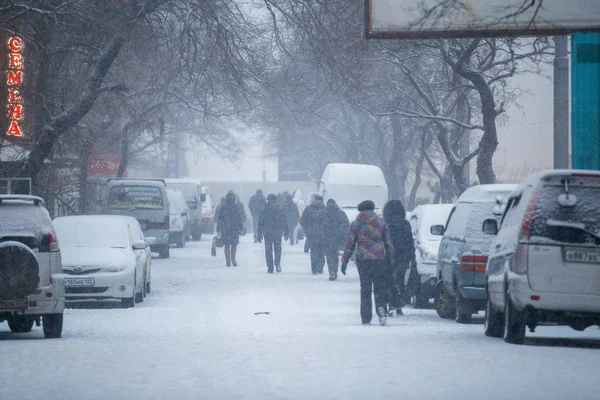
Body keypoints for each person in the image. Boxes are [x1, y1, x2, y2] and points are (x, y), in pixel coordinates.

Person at [341, 200, 394, 326]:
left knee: (365, 288)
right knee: (379, 286)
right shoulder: (381, 223)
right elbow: (389, 243)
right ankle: (381, 308)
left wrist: (344, 260)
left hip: (363, 259)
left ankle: (366, 317)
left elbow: (350, 244)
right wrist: (391, 259)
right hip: (379, 259)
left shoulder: (356, 224)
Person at [383, 200, 417, 316]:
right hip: (403, 256)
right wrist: (412, 257)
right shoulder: (405, 223)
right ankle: (398, 305)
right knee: (400, 280)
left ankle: (388, 302)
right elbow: (409, 242)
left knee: (388, 280)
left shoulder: (384, 223)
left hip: (387, 255)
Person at [257, 194, 289, 273]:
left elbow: (260, 223)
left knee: (268, 250)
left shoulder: (264, 210)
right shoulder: (280, 209)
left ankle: (270, 267)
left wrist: (259, 233)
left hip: (267, 233)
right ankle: (277, 263)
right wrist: (286, 231)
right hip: (277, 232)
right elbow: (284, 221)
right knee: (277, 249)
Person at [322, 199, 350, 281]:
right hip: (337, 238)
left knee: (329, 255)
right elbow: (346, 225)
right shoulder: (340, 213)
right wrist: (341, 234)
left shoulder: (324, 213)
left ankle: (332, 271)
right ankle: (334, 271)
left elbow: (320, 225)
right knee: (335, 254)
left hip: (327, 238)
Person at [216, 192, 244, 267]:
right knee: (234, 245)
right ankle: (233, 259)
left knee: (227, 245)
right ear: (234, 199)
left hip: (225, 229)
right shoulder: (236, 208)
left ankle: (228, 261)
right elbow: (239, 219)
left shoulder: (223, 208)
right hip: (234, 229)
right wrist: (241, 228)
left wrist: (218, 228)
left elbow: (220, 219)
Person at [300, 195, 326, 274]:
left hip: (312, 234)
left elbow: (303, 220)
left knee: (314, 252)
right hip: (322, 234)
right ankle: (320, 268)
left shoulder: (308, 209)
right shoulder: (325, 209)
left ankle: (314, 269)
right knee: (321, 252)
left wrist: (306, 230)